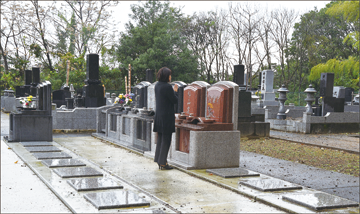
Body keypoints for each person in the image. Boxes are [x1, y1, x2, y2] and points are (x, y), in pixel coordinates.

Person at [153, 67, 178, 170]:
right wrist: (175, 91)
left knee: (161, 138)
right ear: (166, 76)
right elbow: (174, 100)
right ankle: (163, 163)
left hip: (159, 115)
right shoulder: (167, 87)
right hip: (167, 116)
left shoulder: (157, 85)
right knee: (166, 139)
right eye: (169, 75)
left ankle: (159, 159)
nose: (170, 77)